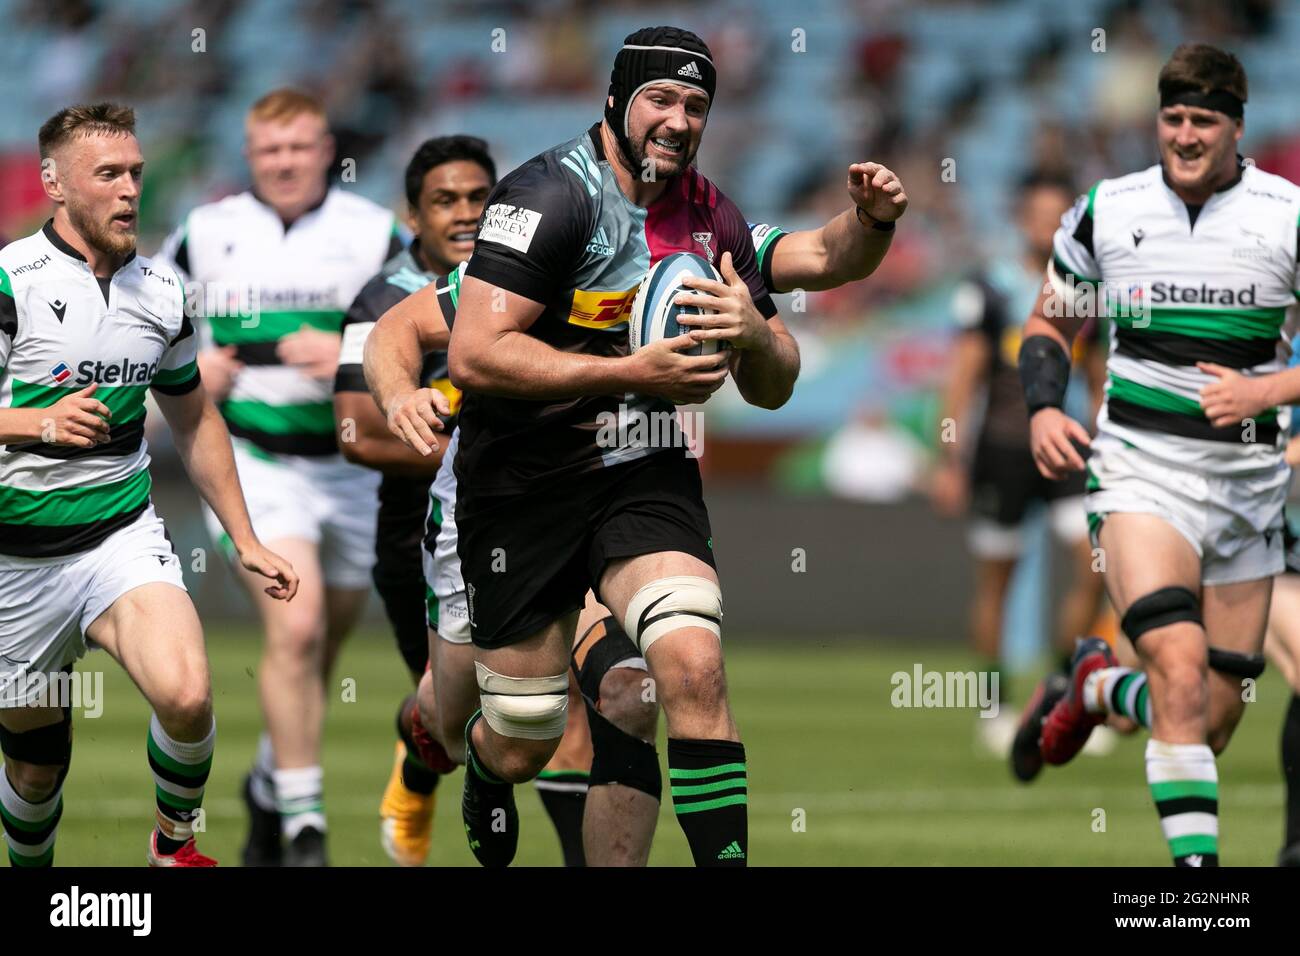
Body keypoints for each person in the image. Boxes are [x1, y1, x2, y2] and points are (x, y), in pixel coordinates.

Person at [367, 25, 906, 867]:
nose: (679, 119)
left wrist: (768, 325)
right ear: (616, 102)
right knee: (527, 733)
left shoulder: (707, 215)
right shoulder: (547, 199)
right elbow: (470, 352)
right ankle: (481, 764)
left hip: (643, 474)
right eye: (661, 98)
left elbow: (790, 340)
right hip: (520, 488)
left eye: (696, 104)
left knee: (687, 670)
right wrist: (633, 368)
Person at [1017, 44, 1299, 866]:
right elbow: (1050, 323)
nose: (1183, 134)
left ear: (1235, 126)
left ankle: (1096, 687)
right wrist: (1042, 408)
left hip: (1249, 491)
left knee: (1209, 719)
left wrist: (1267, 392)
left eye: (1202, 120)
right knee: (1178, 674)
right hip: (1142, 475)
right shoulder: (1109, 208)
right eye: (1172, 118)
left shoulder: (1284, 213)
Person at [0, 103, 296, 867]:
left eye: (135, 172)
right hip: (16, 562)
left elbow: (195, 419)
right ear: (55, 184)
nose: (130, 189)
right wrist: (36, 424)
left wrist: (245, 536)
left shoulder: (163, 291)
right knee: (33, 774)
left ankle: (174, 849)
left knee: (188, 693)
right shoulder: (11, 282)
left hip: (119, 535)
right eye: (108, 174)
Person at [157, 88, 403, 866]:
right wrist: (194, 373)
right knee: (292, 630)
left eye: (299, 147)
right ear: (249, 154)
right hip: (257, 466)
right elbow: (143, 324)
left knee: (317, 652)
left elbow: (429, 329)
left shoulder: (374, 233)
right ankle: (306, 827)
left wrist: (351, 359)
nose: (285, 163)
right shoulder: (206, 233)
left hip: (357, 467)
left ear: (327, 149)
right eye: (270, 150)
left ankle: (268, 783)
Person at [331, 135, 493, 866]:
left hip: (527, 519)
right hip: (415, 536)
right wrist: (462, 451)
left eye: (477, 197)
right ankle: (418, 756)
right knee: (455, 725)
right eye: (444, 200)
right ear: (413, 214)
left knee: (561, 715)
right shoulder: (381, 300)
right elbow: (355, 432)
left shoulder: (525, 282)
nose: (464, 214)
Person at [931, 171, 1108, 757]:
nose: (1046, 226)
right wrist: (950, 459)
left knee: (1094, 565)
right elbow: (963, 378)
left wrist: (1112, 447)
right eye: (1037, 214)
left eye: (1059, 216)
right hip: (1002, 452)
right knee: (997, 582)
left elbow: (1099, 377)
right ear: (1019, 218)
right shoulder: (993, 288)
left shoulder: (1087, 289)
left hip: (1069, 450)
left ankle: (1065, 695)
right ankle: (995, 705)